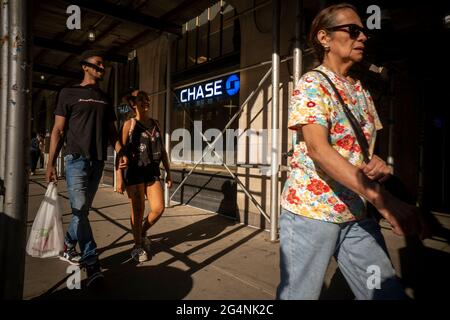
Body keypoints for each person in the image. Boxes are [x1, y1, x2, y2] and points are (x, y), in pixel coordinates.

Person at [277, 3, 426, 300]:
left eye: (364, 32)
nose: (363, 38)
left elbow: (361, 153)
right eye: (353, 30)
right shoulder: (311, 84)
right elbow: (319, 150)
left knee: (384, 291)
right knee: (300, 296)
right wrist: (382, 198)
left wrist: (378, 164)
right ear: (325, 38)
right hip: (312, 215)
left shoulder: (361, 92)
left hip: (356, 215)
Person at [46, 50, 128, 287]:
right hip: (76, 160)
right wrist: (51, 163)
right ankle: (92, 263)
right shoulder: (68, 93)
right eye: (98, 66)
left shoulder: (104, 97)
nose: (102, 70)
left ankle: (67, 244)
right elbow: (58, 130)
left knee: (82, 211)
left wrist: (120, 152)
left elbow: (112, 131)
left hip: (98, 160)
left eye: (103, 67)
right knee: (80, 210)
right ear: (85, 67)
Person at [115, 91, 172, 263]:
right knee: (138, 210)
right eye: (141, 99)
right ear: (134, 104)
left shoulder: (155, 123)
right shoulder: (129, 124)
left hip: (152, 172)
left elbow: (161, 150)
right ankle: (137, 245)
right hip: (134, 172)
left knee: (159, 208)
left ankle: (142, 231)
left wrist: (169, 171)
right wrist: (119, 177)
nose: (145, 101)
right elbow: (120, 151)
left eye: (146, 99)